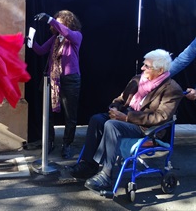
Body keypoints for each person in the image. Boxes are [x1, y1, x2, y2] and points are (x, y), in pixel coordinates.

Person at [68, 49, 183, 193]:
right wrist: (114, 108)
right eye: (143, 64)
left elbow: (160, 117)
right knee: (97, 119)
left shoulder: (172, 89)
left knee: (111, 125)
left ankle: (106, 175)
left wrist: (127, 118)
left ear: (160, 70)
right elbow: (121, 99)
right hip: (124, 116)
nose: (142, 68)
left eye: (146, 66)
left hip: (143, 127)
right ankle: (89, 165)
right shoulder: (137, 79)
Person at [31, 11, 82, 159]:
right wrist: (30, 41)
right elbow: (40, 50)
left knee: (69, 115)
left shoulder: (76, 36)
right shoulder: (56, 38)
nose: (56, 25)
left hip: (70, 80)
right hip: (53, 79)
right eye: (56, 22)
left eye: (60, 22)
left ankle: (67, 144)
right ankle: (50, 142)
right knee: (48, 114)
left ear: (68, 22)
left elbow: (67, 33)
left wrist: (50, 20)